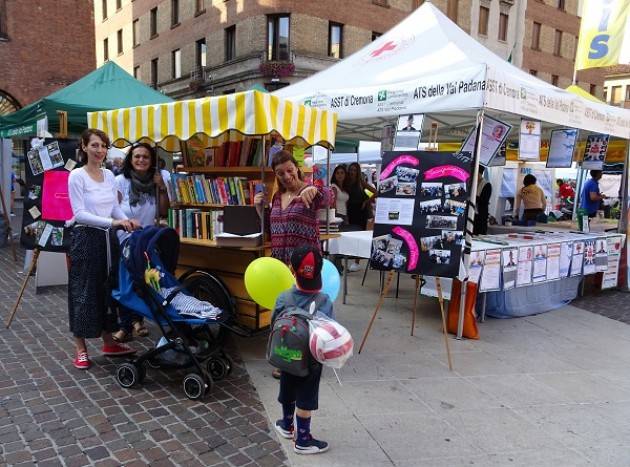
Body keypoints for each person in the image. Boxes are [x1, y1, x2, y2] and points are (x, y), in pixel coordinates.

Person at [67, 129, 140, 370]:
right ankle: (81, 349)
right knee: (84, 292)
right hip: (85, 239)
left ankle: (109, 342)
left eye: (104, 146)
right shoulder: (77, 176)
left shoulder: (109, 175)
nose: (100, 150)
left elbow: (114, 208)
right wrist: (114, 223)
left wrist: (127, 220)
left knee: (108, 289)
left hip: (108, 239)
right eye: (95, 145)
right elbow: (79, 214)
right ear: (84, 146)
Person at [272, 246, 333, 455]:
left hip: (286, 356)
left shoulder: (282, 298)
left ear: (291, 269)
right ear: (319, 273)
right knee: (305, 398)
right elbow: (328, 332)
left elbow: (274, 324)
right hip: (311, 361)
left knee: (287, 387)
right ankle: (303, 440)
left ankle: (287, 425)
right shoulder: (324, 300)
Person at [112, 142, 171, 343]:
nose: (141, 160)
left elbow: (163, 211)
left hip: (149, 239)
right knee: (127, 282)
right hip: (126, 239)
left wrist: (161, 187)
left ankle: (138, 321)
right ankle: (125, 325)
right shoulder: (120, 181)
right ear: (130, 159)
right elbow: (113, 209)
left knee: (144, 281)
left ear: (152, 160)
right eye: (137, 156)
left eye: (146, 157)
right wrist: (126, 223)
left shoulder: (158, 181)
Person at [255, 150, 331, 266]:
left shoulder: (309, 192)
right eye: (280, 173)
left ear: (297, 168)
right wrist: (260, 208)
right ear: (276, 174)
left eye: (290, 170)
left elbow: (330, 196)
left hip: (305, 265)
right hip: (280, 266)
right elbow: (272, 230)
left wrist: (316, 189)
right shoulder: (277, 197)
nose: (286, 176)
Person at [344, 162, 376, 271]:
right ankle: (350, 257)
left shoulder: (361, 182)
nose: (352, 172)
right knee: (350, 236)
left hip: (361, 212)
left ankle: (357, 262)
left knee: (360, 236)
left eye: (354, 170)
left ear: (357, 172)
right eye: (351, 170)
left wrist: (367, 201)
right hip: (350, 212)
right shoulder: (346, 183)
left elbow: (376, 192)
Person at [473, 166, 492, 235]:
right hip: (472, 214)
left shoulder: (487, 185)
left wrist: (472, 197)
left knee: (480, 234)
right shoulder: (472, 183)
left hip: (481, 215)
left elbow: (484, 200)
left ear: (479, 173)